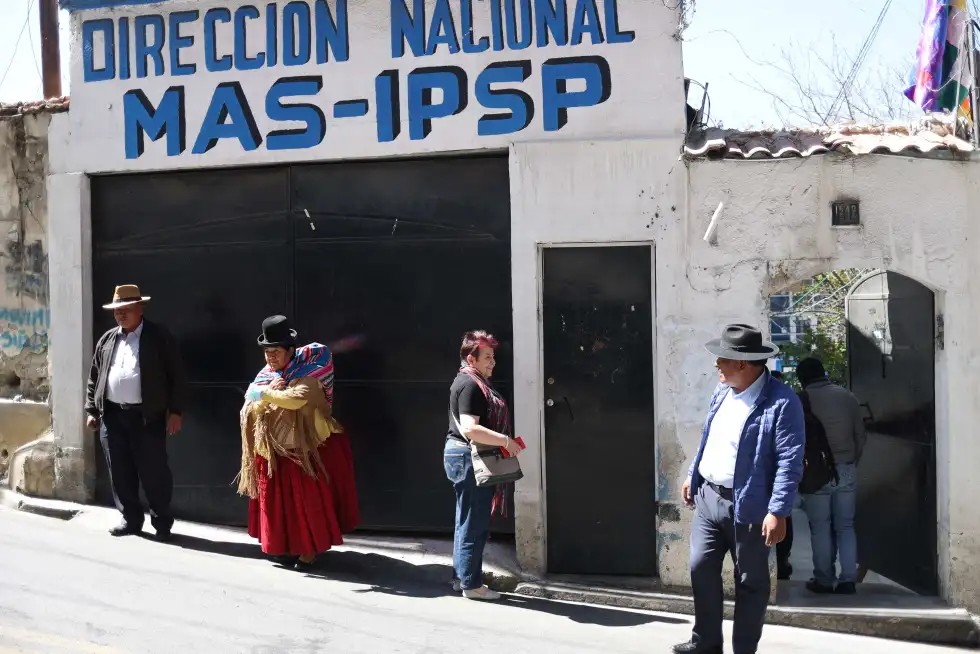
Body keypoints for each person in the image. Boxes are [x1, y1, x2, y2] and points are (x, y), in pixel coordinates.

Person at [675, 324, 805, 654]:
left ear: (742, 364)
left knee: (750, 582)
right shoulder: (722, 392)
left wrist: (778, 510)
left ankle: (743, 649)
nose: (717, 364)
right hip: (708, 499)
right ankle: (705, 643)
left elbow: (790, 460)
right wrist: (694, 473)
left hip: (749, 506)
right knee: (700, 568)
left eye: (723, 359)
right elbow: (711, 438)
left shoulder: (781, 402)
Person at [237, 315, 360, 569]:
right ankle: (285, 547)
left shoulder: (313, 368)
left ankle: (308, 550)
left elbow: (297, 398)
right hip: (273, 451)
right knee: (280, 505)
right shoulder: (266, 375)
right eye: (267, 352)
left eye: (276, 351)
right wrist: (266, 391)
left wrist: (265, 393)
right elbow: (249, 408)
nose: (271, 357)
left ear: (290, 351)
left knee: (306, 504)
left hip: (305, 451)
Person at [85, 284, 185, 542]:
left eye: (126, 309)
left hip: (146, 417)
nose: (121, 314)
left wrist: (175, 411)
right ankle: (130, 518)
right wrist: (92, 409)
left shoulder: (157, 336)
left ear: (140, 309)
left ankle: (162, 522)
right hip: (112, 417)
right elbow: (94, 377)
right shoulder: (107, 340)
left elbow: (176, 376)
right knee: (119, 471)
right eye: (117, 310)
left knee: (154, 472)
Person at [445, 330, 524, 601]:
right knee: (474, 522)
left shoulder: (469, 381)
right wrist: (505, 441)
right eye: (487, 357)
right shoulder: (470, 385)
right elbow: (470, 429)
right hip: (468, 457)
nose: (493, 362)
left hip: (461, 456)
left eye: (493, 357)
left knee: (465, 519)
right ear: (472, 358)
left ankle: (462, 577)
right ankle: (472, 584)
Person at [796, 357, 866, 595]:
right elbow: (861, 435)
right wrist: (850, 462)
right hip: (845, 467)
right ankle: (848, 580)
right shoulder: (847, 397)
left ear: (802, 378)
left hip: (815, 472)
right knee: (846, 526)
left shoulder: (801, 400)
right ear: (823, 373)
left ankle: (824, 580)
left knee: (820, 527)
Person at [771, 369, 795, 580]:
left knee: (782, 518)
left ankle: (781, 561)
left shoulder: (788, 403)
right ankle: (781, 561)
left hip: (776, 477)